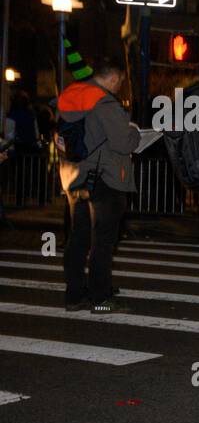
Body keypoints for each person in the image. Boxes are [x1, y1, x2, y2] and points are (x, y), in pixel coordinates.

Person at [56, 57, 138, 313]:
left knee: (78, 237)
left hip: (74, 176)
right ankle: (100, 299)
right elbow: (123, 143)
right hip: (104, 178)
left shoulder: (71, 95)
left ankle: (74, 295)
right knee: (103, 240)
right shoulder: (104, 102)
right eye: (120, 82)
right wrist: (134, 131)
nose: (119, 86)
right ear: (113, 78)